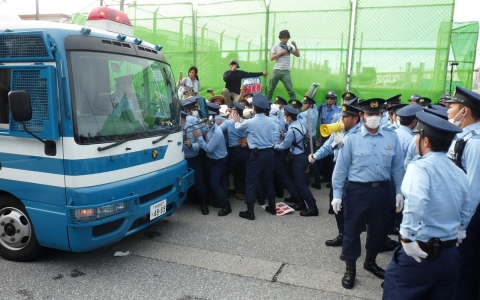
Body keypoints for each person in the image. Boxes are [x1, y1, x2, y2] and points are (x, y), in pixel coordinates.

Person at [382, 112, 469, 300]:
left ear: (426, 141)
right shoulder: (459, 171)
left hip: (419, 254)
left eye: (418, 136)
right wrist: (461, 229)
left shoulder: (419, 167)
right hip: (449, 254)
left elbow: (416, 202)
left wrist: (407, 238)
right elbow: (466, 205)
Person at [332, 98, 405, 289]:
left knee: (378, 229)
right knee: (352, 230)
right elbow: (341, 169)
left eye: (377, 114)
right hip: (357, 191)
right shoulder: (351, 139)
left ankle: (370, 262)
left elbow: (398, 167)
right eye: (369, 114)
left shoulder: (392, 137)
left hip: (382, 190)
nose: (373, 117)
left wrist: (399, 191)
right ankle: (350, 269)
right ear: (362, 115)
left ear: (382, 115)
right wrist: (337, 194)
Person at [444, 85, 480, 300]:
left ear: (464, 111)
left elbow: (473, 191)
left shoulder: (475, 143)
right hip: (460, 213)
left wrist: (461, 227)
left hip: (469, 218)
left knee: (465, 268)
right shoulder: (462, 136)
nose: (448, 108)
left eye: (453, 105)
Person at [309, 104, 362, 243]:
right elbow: (328, 147)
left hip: (353, 176)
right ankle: (342, 235)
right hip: (338, 173)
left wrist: (343, 143)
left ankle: (351, 241)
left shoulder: (362, 133)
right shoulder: (339, 130)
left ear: (355, 118)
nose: (341, 119)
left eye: (345, 117)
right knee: (337, 206)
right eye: (342, 116)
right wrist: (316, 156)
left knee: (351, 211)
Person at [234, 95, 277, 220]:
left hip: (256, 154)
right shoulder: (271, 121)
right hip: (269, 153)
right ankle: (272, 207)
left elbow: (238, 128)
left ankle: (250, 211)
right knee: (269, 180)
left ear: (254, 108)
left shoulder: (250, 122)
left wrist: (237, 121)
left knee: (251, 181)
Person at [274, 105, 319, 217]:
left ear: (289, 118)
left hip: (298, 158)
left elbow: (284, 146)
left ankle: (313, 207)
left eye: (285, 116)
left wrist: (274, 145)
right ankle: (298, 200)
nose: (284, 117)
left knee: (301, 183)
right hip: (303, 155)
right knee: (292, 177)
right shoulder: (299, 124)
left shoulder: (291, 130)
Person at [193, 103, 231, 217]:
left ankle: (226, 205)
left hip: (218, 161)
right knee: (221, 181)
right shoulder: (211, 128)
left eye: (206, 123)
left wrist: (199, 137)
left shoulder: (216, 133)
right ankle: (220, 201)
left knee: (214, 183)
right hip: (215, 160)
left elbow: (208, 149)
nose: (205, 125)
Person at [182, 111, 208, 215]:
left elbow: (200, 145)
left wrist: (191, 145)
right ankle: (185, 200)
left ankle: (203, 203)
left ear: (182, 119)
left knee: (198, 180)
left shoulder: (192, 128)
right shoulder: (175, 129)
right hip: (180, 159)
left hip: (193, 158)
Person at [266, 30, 300, 101]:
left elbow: (297, 55)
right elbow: (272, 58)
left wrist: (295, 45)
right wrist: (281, 53)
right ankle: (267, 104)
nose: (285, 40)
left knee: (290, 90)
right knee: (271, 89)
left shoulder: (289, 47)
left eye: (286, 38)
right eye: (283, 38)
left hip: (286, 72)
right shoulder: (275, 47)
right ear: (280, 38)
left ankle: (294, 105)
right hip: (276, 70)